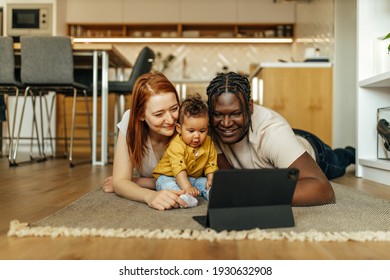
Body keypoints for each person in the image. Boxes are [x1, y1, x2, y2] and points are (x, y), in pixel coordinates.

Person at [206, 72, 356, 206]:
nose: (225, 123)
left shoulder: (272, 133)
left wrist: (254, 196)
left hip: (313, 150)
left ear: (250, 106)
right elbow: (230, 178)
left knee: (339, 161)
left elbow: (324, 190)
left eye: (235, 113)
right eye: (218, 114)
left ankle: (351, 153)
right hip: (282, 142)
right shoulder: (208, 128)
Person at [105, 72, 189, 210]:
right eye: (159, 114)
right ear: (141, 115)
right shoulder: (130, 120)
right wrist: (149, 196)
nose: (170, 120)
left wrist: (138, 182)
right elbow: (119, 182)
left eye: (174, 108)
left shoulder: (187, 121)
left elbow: (194, 180)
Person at [152, 93, 218, 207]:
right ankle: (183, 198)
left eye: (202, 131)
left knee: (204, 183)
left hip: (193, 178)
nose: (197, 136)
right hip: (170, 176)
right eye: (191, 131)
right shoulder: (176, 145)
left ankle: (212, 193)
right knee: (168, 186)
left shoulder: (208, 143)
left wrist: (210, 179)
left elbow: (211, 163)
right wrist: (187, 188)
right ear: (179, 129)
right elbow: (179, 170)